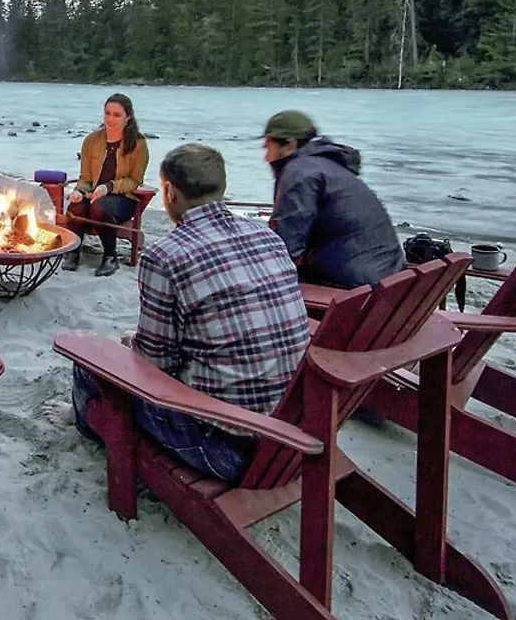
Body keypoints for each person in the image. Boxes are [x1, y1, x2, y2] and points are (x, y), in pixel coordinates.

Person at [46, 143, 310, 481]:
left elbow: (155, 368)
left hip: (223, 447)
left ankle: (86, 425)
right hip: (287, 430)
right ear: (222, 187)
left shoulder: (164, 255)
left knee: (89, 364)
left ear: (169, 190)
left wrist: (133, 347)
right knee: (145, 342)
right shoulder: (267, 236)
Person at [261, 110, 406, 289]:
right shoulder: (329, 166)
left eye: (268, 147)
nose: (266, 157)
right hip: (389, 277)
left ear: (290, 145)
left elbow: (285, 246)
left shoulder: (299, 172)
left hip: (356, 287)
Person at [62, 93, 150, 277]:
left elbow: (135, 181)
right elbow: (85, 177)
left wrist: (109, 187)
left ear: (128, 117)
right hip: (93, 194)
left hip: (123, 198)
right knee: (75, 207)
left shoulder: (138, 144)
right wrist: (79, 190)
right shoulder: (91, 141)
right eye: (107, 113)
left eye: (117, 115)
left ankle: (110, 257)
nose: (111, 119)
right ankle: (73, 252)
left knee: (99, 208)